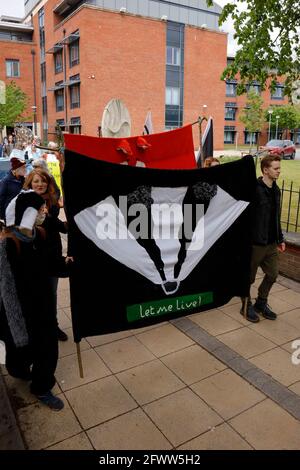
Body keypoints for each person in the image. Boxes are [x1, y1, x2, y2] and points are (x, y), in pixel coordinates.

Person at [0, 190, 64, 410]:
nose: (44, 211)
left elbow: (53, 265)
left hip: (43, 306)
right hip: (19, 311)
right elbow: (6, 288)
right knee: (20, 351)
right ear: (27, 213)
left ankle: (42, 386)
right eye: (39, 209)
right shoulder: (9, 244)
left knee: (47, 349)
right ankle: (18, 368)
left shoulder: (41, 235)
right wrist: (13, 323)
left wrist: (70, 265)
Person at [24, 169, 70, 341]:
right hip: (33, 258)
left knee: (51, 294)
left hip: (52, 255)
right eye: (36, 181)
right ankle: (35, 329)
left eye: (43, 181)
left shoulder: (50, 202)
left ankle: (53, 326)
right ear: (30, 183)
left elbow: (56, 225)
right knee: (35, 295)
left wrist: (68, 224)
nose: (40, 184)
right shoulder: (23, 202)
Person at [241, 154, 286, 322]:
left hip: (271, 243)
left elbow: (276, 216)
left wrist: (280, 238)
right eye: (276, 168)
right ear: (265, 170)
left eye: (279, 168)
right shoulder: (254, 189)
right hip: (255, 244)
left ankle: (261, 302)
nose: (279, 171)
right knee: (249, 278)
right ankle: (246, 306)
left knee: (273, 274)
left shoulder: (276, 190)